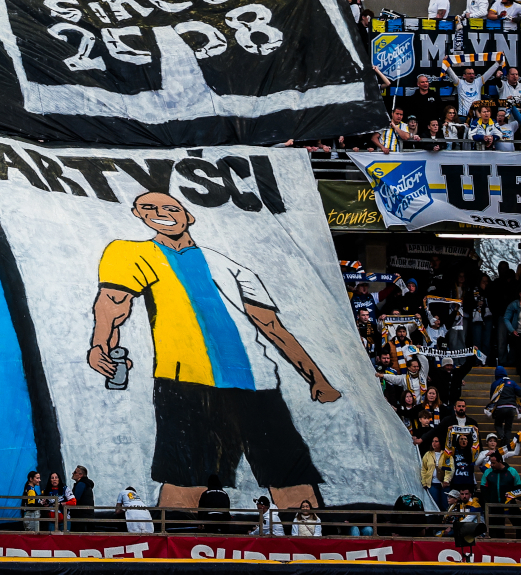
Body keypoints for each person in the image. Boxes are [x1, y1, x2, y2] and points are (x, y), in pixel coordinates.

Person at [88, 192, 338, 510]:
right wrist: (101, 345)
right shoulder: (130, 252)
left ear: (189, 217)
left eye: (170, 207)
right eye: (148, 208)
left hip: (257, 383)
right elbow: (112, 305)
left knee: (289, 476)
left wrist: (317, 378)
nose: (159, 212)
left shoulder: (230, 267)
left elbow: (272, 326)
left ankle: (308, 538)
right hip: (185, 383)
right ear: (139, 215)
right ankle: (175, 540)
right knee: (186, 480)